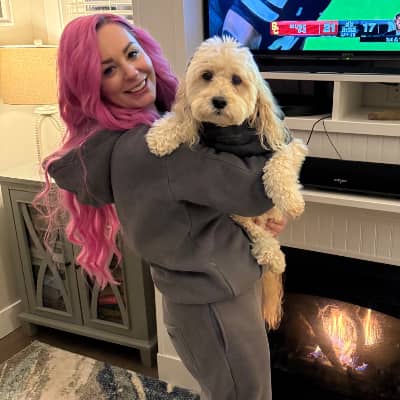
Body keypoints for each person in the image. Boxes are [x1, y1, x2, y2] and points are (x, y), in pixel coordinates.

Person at [37, 13, 288, 400]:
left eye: (131, 53)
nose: (132, 72)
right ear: (90, 84)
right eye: (108, 69)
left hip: (197, 297)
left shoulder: (123, 139)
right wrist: (278, 137)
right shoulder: (155, 148)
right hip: (215, 303)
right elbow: (256, 190)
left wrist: (248, 221)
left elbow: (199, 206)